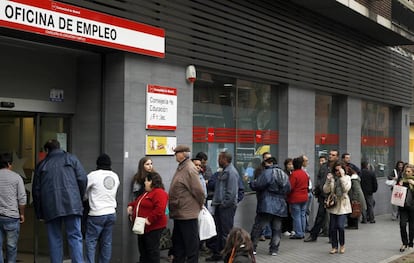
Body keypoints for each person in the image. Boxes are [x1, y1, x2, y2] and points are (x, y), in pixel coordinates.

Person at [32, 139, 87, 263]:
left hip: (50, 206)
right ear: (59, 147)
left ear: (47, 150)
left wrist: (39, 212)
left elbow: (36, 190)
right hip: (72, 204)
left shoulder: (42, 165)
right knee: (75, 236)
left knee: (54, 238)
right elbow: (82, 179)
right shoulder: (71, 159)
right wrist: (78, 197)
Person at [169, 145, 205, 263]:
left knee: (191, 246)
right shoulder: (182, 167)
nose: (175, 155)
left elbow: (199, 191)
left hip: (187, 213)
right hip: (180, 212)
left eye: (177, 153)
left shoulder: (189, 169)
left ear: (183, 154)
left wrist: (200, 205)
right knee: (179, 245)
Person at [249, 156, 290, 256]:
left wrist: (251, 183)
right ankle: (274, 249)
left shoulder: (268, 172)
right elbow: (288, 188)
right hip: (280, 205)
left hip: (267, 204)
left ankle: (252, 248)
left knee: (259, 226)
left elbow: (258, 184)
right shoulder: (284, 174)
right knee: (277, 228)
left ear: (270, 163)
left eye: (265, 163)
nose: (264, 165)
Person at [85, 154, 120, 263]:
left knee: (91, 242)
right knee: (106, 242)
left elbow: (83, 191)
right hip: (111, 213)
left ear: (98, 164)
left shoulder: (93, 175)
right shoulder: (115, 176)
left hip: (97, 213)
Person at [128, 172, 168, 263]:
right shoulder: (147, 193)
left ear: (151, 181)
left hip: (153, 227)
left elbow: (160, 209)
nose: (144, 183)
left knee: (152, 251)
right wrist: (131, 206)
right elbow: (138, 202)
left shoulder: (159, 193)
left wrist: (149, 219)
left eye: (146, 181)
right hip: (143, 227)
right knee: (144, 251)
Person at [207, 151, 240, 262]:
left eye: (219, 158)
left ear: (225, 159)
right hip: (221, 206)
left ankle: (227, 257)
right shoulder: (224, 171)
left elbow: (231, 193)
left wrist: (223, 204)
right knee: (219, 232)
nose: (218, 160)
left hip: (226, 208)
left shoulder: (231, 172)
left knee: (226, 234)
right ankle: (219, 254)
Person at [304, 149, 340, 242]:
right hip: (323, 195)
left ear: (337, 157)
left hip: (333, 195)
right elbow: (319, 178)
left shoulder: (339, 167)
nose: (330, 156)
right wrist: (318, 188)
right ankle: (313, 235)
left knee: (333, 217)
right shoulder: (324, 166)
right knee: (320, 216)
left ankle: (332, 237)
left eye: (333, 155)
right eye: (330, 154)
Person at [0, 153, 26, 263]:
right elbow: (22, 198)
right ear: (9, 164)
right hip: (11, 217)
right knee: (11, 247)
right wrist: (22, 214)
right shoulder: (16, 177)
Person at [323, 161, 351, 254]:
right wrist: (328, 181)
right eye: (336, 170)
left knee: (340, 226)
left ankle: (342, 245)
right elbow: (326, 190)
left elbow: (346, 189)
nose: (337, 172)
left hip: (343, 204)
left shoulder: (347, 178)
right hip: (333, 204)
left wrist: (342, 177)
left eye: (339, 170)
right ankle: (334, 246)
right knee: (333, 227)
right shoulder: (333, 178)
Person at [287, 157, 309, 239]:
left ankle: (298, 233)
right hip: (304, 196)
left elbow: (290, 187)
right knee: (302, 215)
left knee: (296, 216)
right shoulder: (304, 173)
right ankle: (302, 232)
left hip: (295, 197)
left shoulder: (294, 174)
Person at [396, 164, 414, 252]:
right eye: (406, 171)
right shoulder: (402, 179)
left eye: (409, 171)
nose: (407, 173)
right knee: (402, 225)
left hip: (412, 207)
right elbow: (395, 191)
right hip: (403, 207)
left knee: (412, 226)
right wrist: (399, 185)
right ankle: (404, 243)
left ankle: (411, 243)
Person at [281, 158, 294, 236]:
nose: (291, 166)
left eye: (292, 164)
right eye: (289, 164)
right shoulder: (284, 173)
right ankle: (285, 229)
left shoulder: (292, 172)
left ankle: (290, 228)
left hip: (290, 196)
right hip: (285, 196)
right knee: (286, 213)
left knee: (291, 213)